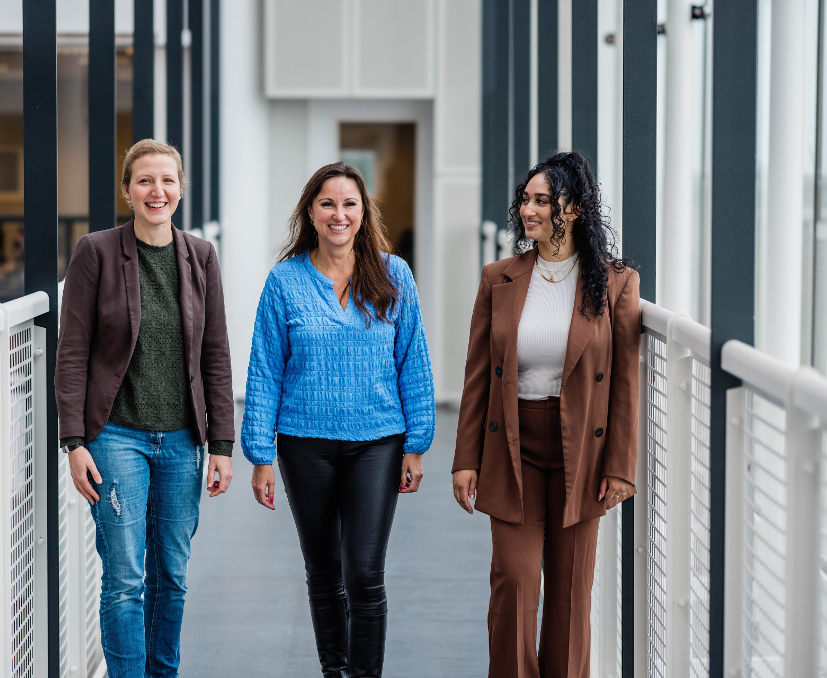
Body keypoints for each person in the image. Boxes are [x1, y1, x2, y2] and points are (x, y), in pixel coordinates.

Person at [241, 162, 435, 678]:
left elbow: (412, 360)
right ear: (311, 211)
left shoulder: (394, 274)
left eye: (350, 204)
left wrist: (416, 443)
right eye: (328, 203)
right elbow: (264, 369)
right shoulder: (284, 281)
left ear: (363, 212)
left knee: (365, 573)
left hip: (378, 441)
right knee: (324, 573)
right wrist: (261, 456)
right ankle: (337, 672)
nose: (339, 214)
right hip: (304, 444)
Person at [451, 151, 640, 677]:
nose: (528, 210)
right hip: (513, 445)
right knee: (513, 581)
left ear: (573, 209)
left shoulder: (615, 282)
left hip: (583, 450)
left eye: (542, 200)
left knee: (570, 594)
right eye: (526, 200)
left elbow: (625, 379)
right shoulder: (500, 278)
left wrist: (621, 465)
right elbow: (476, 376)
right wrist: (465, 458)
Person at [55, 138, 235, 678]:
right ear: (128, 191)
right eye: (145, 181)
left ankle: (164, 673)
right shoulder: (97, 252)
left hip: (183, 440)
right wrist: (73, 441)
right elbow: (73, 350)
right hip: (116, 438)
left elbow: (216, 353)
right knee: (126, 577)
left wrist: (222, 445)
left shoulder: (201, 256)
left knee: (172, 573)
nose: (157, 191)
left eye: (167, 181)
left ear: (180, 189)